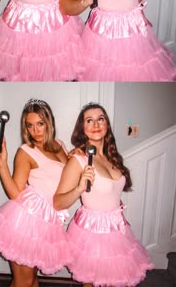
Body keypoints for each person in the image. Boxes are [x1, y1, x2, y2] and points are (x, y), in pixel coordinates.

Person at [53, 102, 154, 287]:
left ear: (107, 125)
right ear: (82, 129)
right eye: (89, 121)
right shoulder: (78, 160)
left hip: (116, 228)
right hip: (91, 231)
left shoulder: (111, 156)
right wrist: (79, 188)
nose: (96, 125)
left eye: (101, 119)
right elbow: (58, 203)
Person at [0, 99, 71, 287]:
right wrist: (1, 163)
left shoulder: (60, 145)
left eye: (40, 124)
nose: (35, 131)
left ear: (49, 123)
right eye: (29, 126)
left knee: (32, 279)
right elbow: (15, 192)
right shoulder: (25, 151)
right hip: (26, 220)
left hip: (46, 220)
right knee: (24, 281)